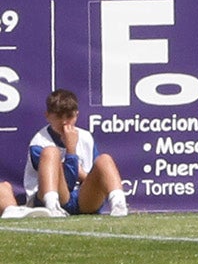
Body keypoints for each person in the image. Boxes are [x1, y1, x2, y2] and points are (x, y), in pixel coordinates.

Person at [22, 87, 129, 217]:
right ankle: (52, 207)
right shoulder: (39, 142)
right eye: (58, 116)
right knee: (51, 152)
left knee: (104, 159)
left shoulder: (85, 137)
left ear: (76, 115)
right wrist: (71, 150)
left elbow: (94, 175)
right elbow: (67, 183)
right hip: (54, 196)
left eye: (69, 116)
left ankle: (119, 204)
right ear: (48, 116)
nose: (64, 122)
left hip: (83, 198)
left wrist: (83, 174)